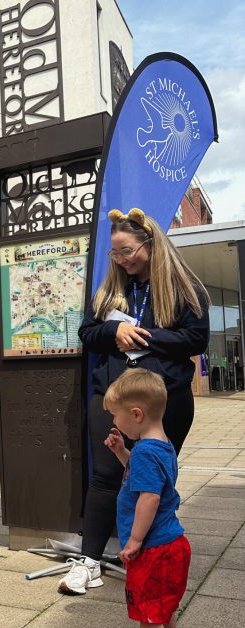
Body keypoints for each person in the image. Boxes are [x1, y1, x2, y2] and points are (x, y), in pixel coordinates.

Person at [59, 207, 208, 595]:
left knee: (154, 478)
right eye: (116, 253)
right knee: (106, 477)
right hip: (112, 399)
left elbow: (196, 340)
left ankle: (155, 554)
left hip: (165, 400)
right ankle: (90, 561)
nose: (122, 260)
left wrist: (143, 335)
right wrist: (114, 329)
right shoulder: (111, 290)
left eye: (127, 251)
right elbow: (87, 334)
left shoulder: (184, 287)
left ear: (149, 242)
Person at [103, 369, 190, 628]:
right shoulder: (161, 446)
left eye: (117, 415)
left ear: (136, 414)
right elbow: (151, 479)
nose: (115, 421)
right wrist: (122, 453)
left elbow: (149, 497)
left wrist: (135, 540)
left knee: (150, 611)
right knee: (164, 606)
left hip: (153, 548)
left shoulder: (145, 453)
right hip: (173, 544)